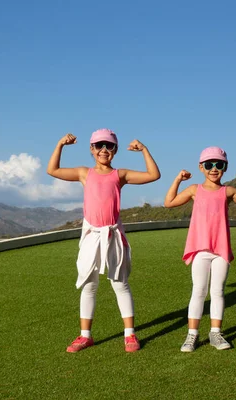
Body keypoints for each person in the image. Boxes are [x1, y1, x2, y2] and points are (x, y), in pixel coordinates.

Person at [47, 128, 161, 353]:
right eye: (99, 146)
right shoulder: (83, 173)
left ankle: (130, 335)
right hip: (91, 235)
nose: (104, 150)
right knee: (89, 285)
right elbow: (52, 170)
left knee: (120, 283)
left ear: (115, 150)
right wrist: (60, 144)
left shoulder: (119, 175)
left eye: (109, 146)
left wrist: (144, 150)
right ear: (91, 149)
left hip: (113, 234)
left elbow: (153, 175)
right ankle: (85, 336)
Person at [163, 146, 236, 352]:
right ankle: (192, 335)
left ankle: (216, 334)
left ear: (225, 167)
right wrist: (178, 179)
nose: (214, 169)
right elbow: (169, 202)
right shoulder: (194, 190)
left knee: (217, 292)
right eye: (209, 164)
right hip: (200, 249)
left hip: (221, 251)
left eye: (219, 165)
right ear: (201, 167)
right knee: (198, 291)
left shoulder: (229, 191)